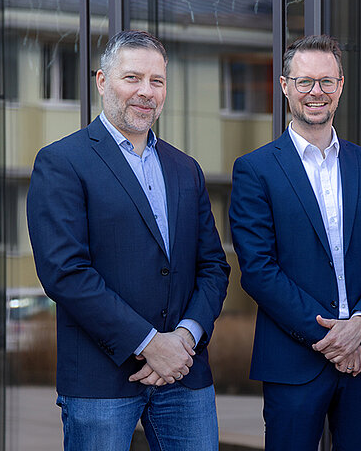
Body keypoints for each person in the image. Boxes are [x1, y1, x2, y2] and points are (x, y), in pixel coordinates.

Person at [27, 29, 230, 451]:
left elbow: (212, 266)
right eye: (132, 78)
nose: (146, 92)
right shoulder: (62, 162)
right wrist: (150, 343)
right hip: (102, 381)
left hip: (184, 376)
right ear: (102, 81)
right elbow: (65, 273)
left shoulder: (185, 168)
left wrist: (185, 339)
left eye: (157, 81)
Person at [228, 34, 361, 451]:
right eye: (305, 82)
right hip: (294, 359)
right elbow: (258, 270)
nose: (316, 92)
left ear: (340, 86)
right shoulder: (255, 170)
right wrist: (333, 339)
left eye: (326, 82)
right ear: (286, 86)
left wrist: (360, 325)